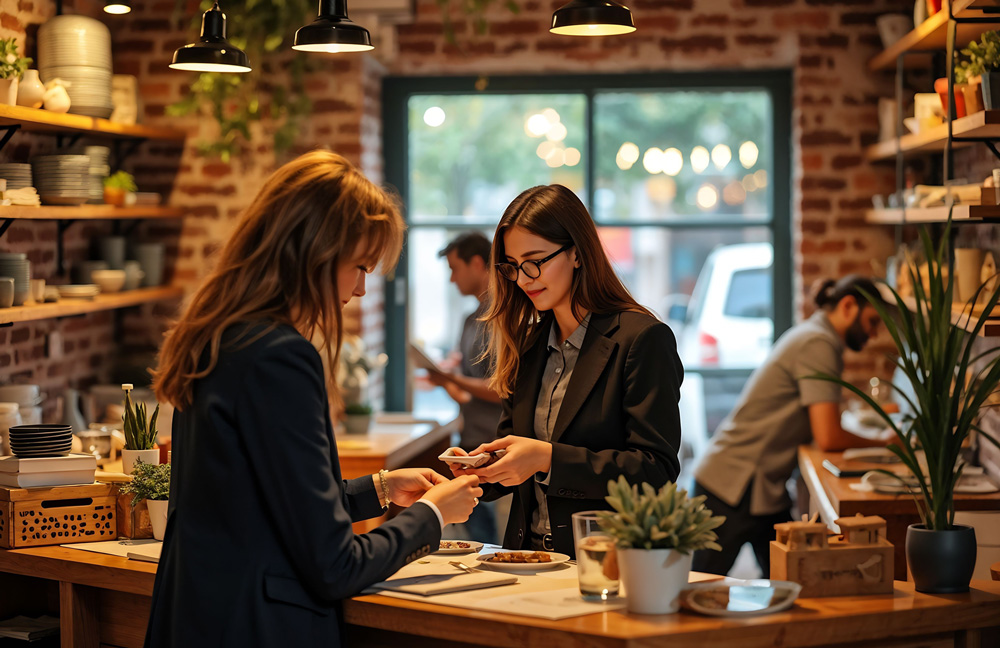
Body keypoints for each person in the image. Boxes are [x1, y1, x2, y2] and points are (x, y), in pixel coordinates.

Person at [146, 151, 482, 648]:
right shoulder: (281, 356)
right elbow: (334, 565)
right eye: (360, 267)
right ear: (314, 253)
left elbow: (266, 507)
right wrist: (433, 513)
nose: (363, 289)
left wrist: (382, 488)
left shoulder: (220, 335)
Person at [449, 184, 683, 557]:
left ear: (576, 253)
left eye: (536, 260)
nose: (524, 278)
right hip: (525, 558)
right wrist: (479, 468)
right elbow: (516, 455)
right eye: (513, 266)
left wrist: (548, 459)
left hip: (606, 562)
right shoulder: (527, 344)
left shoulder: (641, 339)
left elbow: (655, 470)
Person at [692, 275, 891, 578]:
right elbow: (828, 436)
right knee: (696, 591)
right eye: (872, 321)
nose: (874, 334)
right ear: (848, 306)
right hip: (733, 486)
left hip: (755, 485)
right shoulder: (818, 343)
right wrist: (886, 444)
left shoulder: (816, 337)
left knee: (792, 579)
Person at [427, 232, 504, 543]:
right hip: (470, 447)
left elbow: (504, 389)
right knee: (475, 542)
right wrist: (444, 380)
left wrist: (453, 379)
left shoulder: (504, 318)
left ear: (477, 263)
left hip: (498, 450)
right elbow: (466, 395)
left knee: (502, 544)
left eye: (454, 269)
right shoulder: (469, 320)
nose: (451, 279)